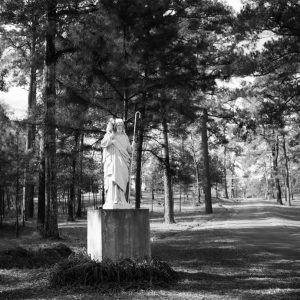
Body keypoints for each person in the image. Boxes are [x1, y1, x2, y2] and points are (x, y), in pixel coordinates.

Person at [101, 118, 132, 209]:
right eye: (118, 125)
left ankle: (122, 200)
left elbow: (129, 150)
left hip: (123, 162)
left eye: (121, 125)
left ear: (123, 127)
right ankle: (114, 200)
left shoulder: (125, 137)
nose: (120, 127)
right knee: (114, 179)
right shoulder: (110, 135)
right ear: (115, 126)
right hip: (113, 162)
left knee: (123, 179)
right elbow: (103, 144)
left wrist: (133, 146)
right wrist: (111, 137)